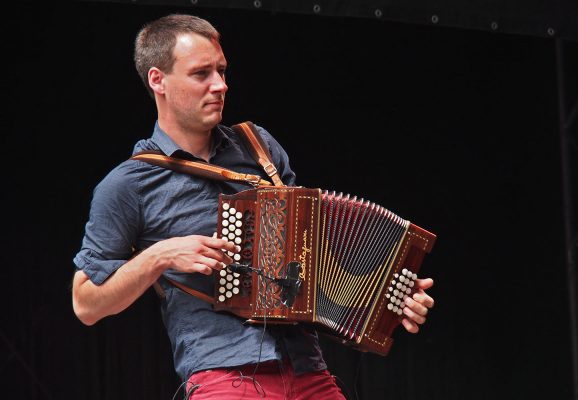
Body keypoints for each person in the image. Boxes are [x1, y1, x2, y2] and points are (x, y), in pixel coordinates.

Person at [71, 13, 435, 400]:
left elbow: (313, 264)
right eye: (201, 74)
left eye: (222, 71)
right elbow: (86, 303)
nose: (220, 85)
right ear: (157, 80)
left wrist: (386, 302)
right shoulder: (128, 184)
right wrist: (159, 256)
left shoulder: (258, 148)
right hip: (224, 375)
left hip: (307, 367)